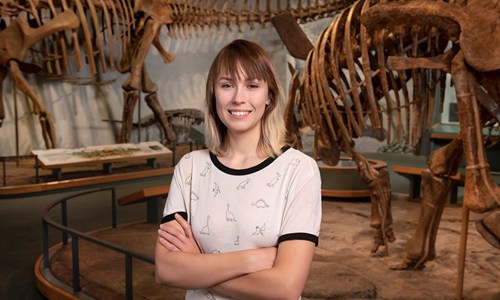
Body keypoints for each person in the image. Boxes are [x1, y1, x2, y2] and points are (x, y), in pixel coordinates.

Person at [155, 39, 322, 299]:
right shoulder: (189, 168)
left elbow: (285, 288)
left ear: (269, 96)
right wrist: (254, 259)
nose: (238, 98)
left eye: (252, 85)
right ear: (214, 93)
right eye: (227, 85)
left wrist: (198, 264)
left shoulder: (299, 170)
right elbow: (166, 270)